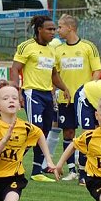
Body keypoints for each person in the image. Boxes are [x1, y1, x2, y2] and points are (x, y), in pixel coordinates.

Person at [10, 15, 71, 181]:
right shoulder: (26, 47)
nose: (53, 32)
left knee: (43, 132)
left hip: (47, 95)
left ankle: (36, 172)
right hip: (32, 93)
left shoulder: (52, 50)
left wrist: (64, 88)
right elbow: (15, 69)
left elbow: (54, 75)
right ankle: (11, 160)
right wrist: (17, 92)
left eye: (54, 29)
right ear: (39, 30)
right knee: (35, 130)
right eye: (49, 29)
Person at [55, 13, 101, 181]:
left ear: (70, 28)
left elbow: (97, 70)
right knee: (68, 132)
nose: (57, 30)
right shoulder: (58, 50)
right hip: (64, 99)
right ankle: (72, 171)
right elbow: (55, 74)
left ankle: (85, 172)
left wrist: (89, 89)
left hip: (85, 99)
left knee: (86, 134)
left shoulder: (88, 47)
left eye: (60, 27)